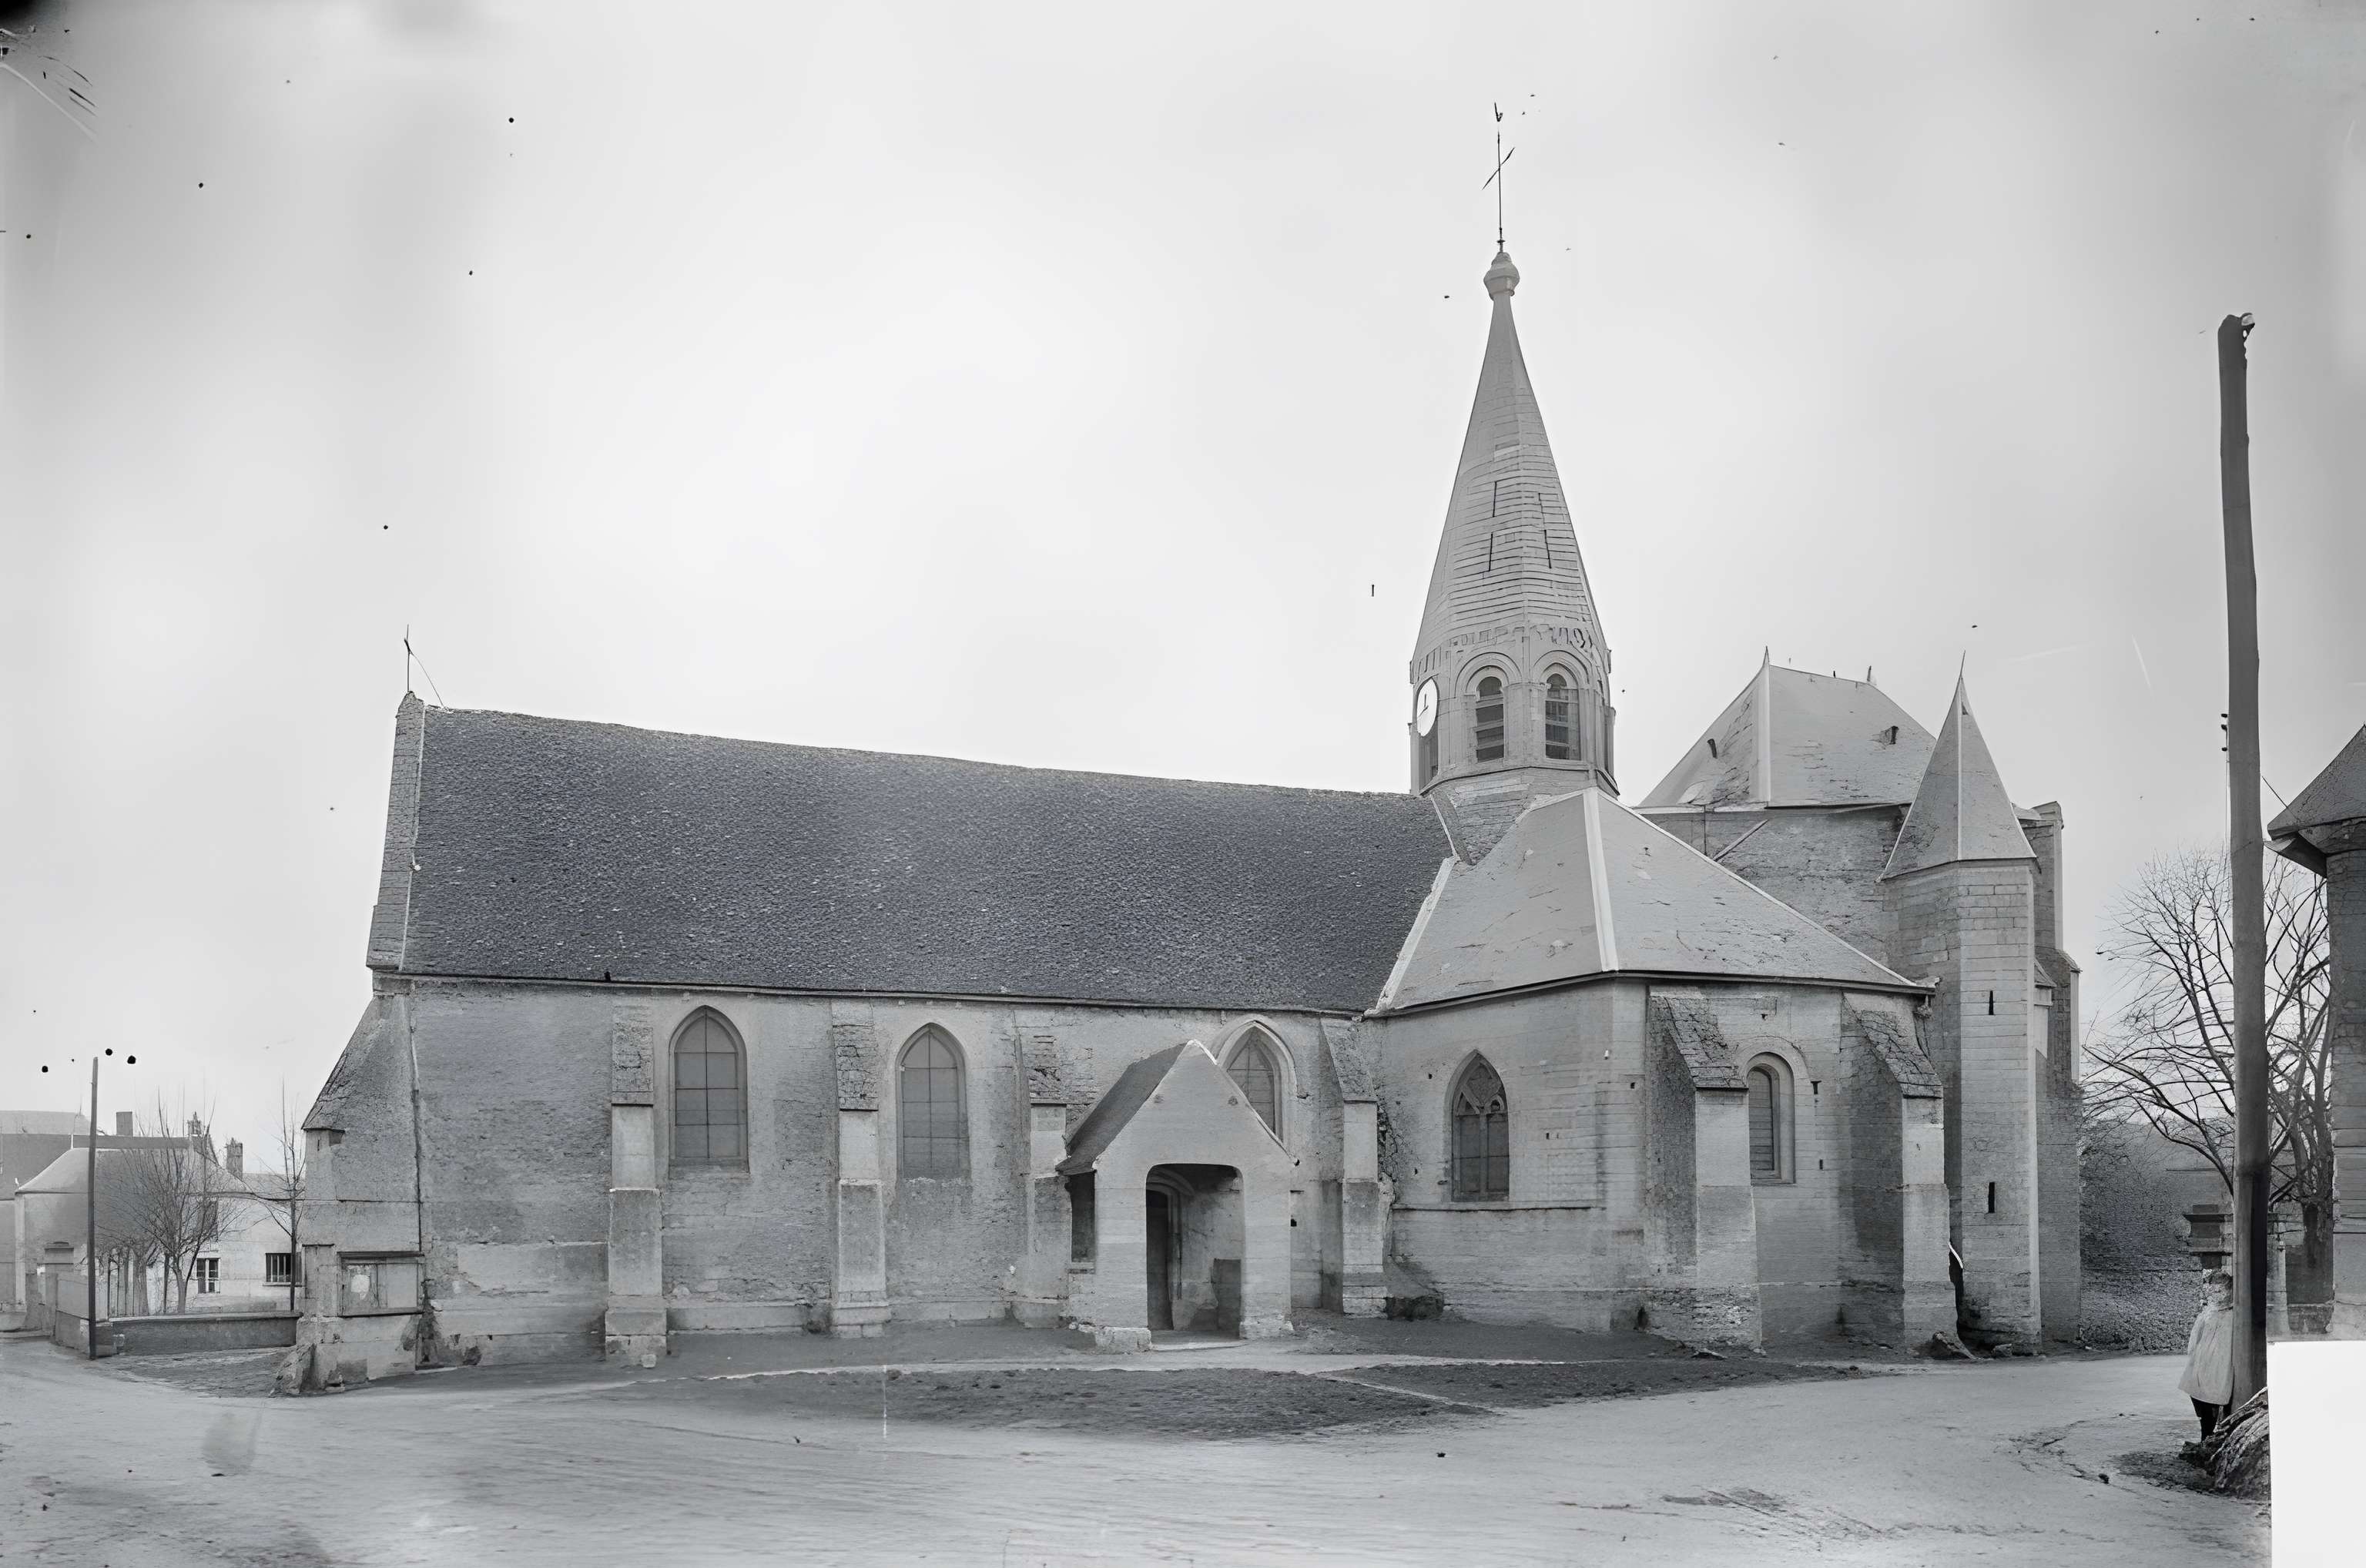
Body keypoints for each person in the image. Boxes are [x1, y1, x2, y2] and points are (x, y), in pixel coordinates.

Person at [2179, 1270, 2235, 1439]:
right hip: (2203, 1359)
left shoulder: (2234, 1314)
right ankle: (2206, 1430)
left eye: (2221, 1291)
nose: (2217, 1295)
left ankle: (2208, 1434)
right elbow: (2196, 1338)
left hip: (2221, 1361)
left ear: (2230, 1290)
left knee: (2213, 1395)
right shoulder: (2209, 1312)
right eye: (2214, 1291)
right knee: (2195, 1391)